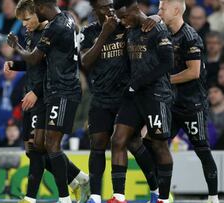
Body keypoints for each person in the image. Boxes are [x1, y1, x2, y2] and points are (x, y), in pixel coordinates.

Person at [5, 1, 89, 202]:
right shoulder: (60, 22)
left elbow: (39, 62)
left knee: (44, 147)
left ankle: (54, 197)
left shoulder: (53, 29)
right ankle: (77, 178)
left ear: (38, 12)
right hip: (48, 91)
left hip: (54, 92)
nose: (24, 24)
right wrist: (15, 65)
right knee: (39, 147)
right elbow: (36, 64)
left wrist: (35, 90)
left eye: (27, 19)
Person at [80, 0, 161, 202]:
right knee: (97, 144)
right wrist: (104, 34)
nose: (109, 10)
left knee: (131, 143)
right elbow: (85, 63)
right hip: (100, 96)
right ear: (94, 10)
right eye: (104, 7)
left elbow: (148, 22)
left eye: (111, 5)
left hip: (127, 96)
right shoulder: (88, 32)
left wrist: (156, 17)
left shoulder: (125, 25)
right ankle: (96, 196)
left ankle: (156, 189)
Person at [109, 0, 174, 202]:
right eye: (121, 18)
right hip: (134, 95)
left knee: (159, 145)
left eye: (125, 16)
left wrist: (138, 83)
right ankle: (119, 197)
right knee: (119, 139)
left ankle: (163, 197)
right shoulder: (130, 28)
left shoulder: (157, 28)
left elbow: (167, 63)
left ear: (135, 10)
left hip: (156, 94)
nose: (123, 21)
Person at [157, 1, 219, 202]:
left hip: (193, 105)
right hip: (172, 103)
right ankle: (163, 195)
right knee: (156, 144)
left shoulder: (191, 36)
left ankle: (212, 197)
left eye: (162, 8)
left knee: (202, 149)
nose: (159, 12)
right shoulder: (165, 34)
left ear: (176, 10)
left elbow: (193, 72)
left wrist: (165, 80)